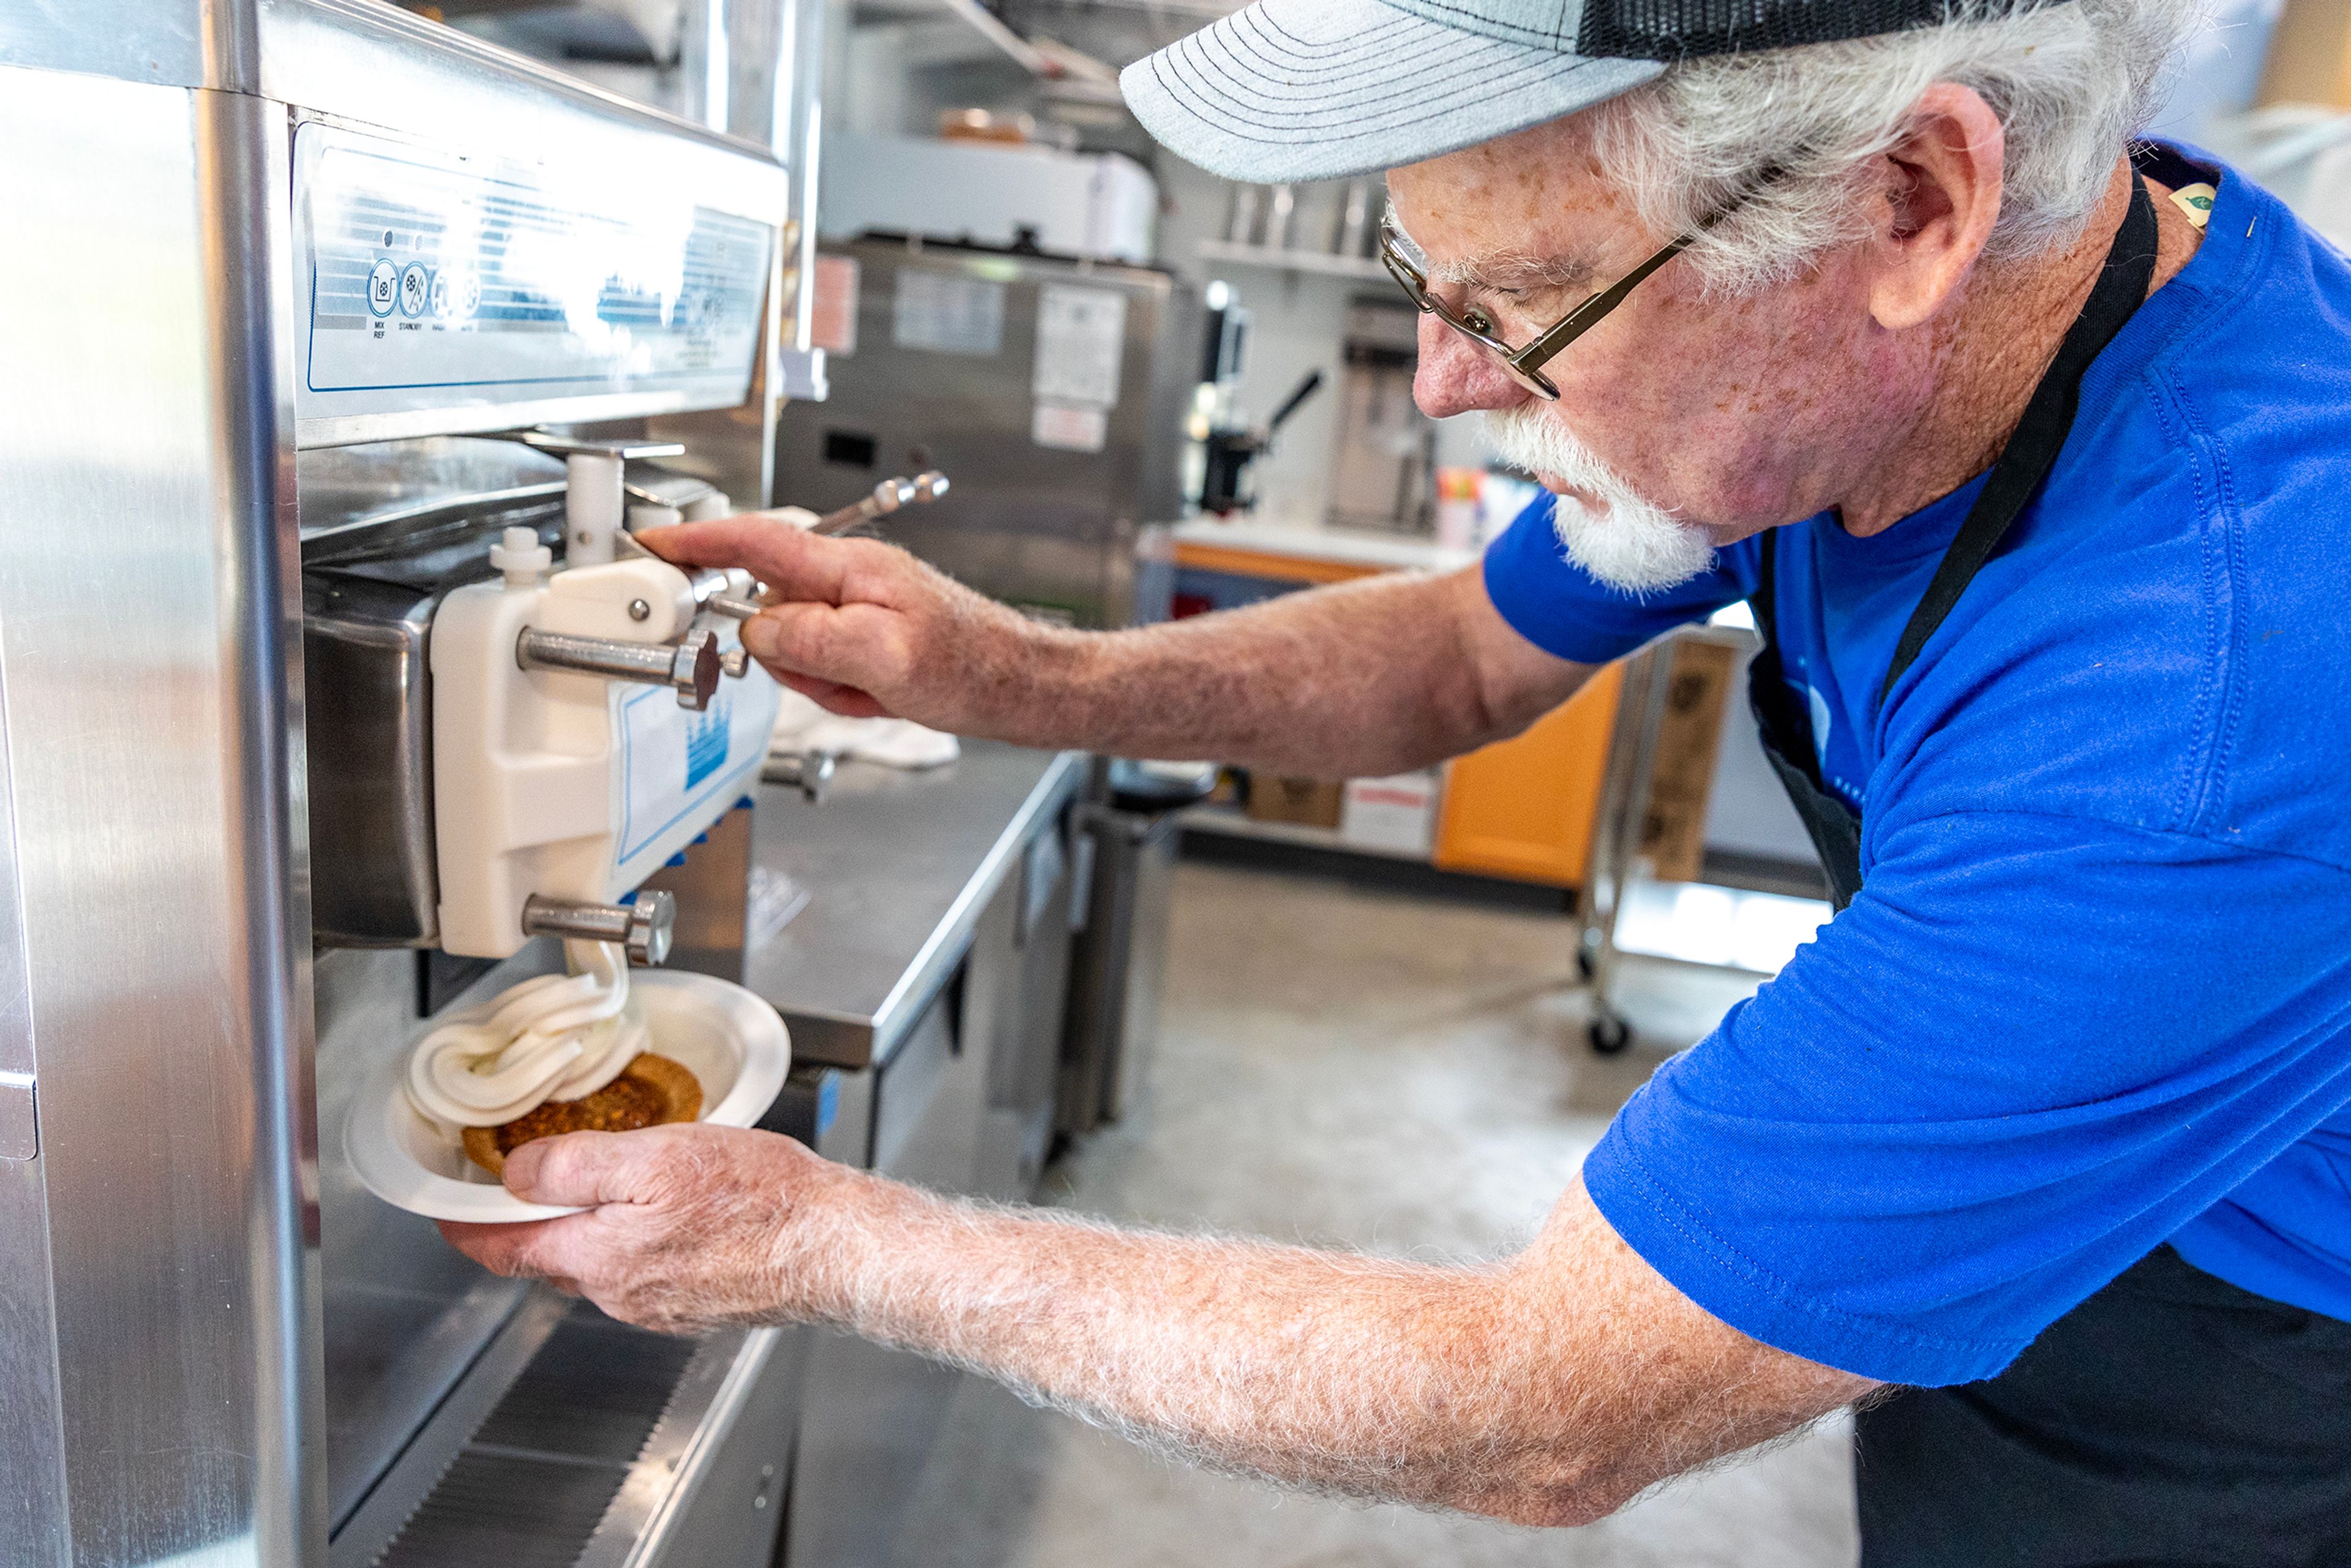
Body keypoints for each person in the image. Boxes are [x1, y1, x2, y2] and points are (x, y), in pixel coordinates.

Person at [444, 0, 2351, 1558]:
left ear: (1918, 201)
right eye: (1419, 281)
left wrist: (820, 1232)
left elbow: (1541, 1407)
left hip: (2242, 1401)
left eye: (1519, 313)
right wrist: (998, 666)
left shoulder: (2212, 695)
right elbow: (1452, 654)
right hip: (2018, 1297)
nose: (1443, 383)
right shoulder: (1907, 341)